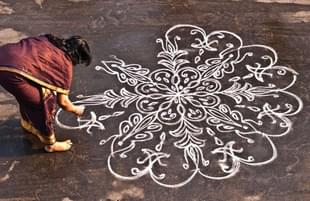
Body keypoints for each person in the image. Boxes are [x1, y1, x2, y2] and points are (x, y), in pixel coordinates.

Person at [0, 34, 91, 152]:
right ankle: (50, 144)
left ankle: (28, 123)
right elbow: (63, 102)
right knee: (43, 101)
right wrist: (76, 109)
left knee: (30, 91)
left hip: (4, 55)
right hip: (10, 71)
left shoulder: (50, 40)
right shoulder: (65, 64)